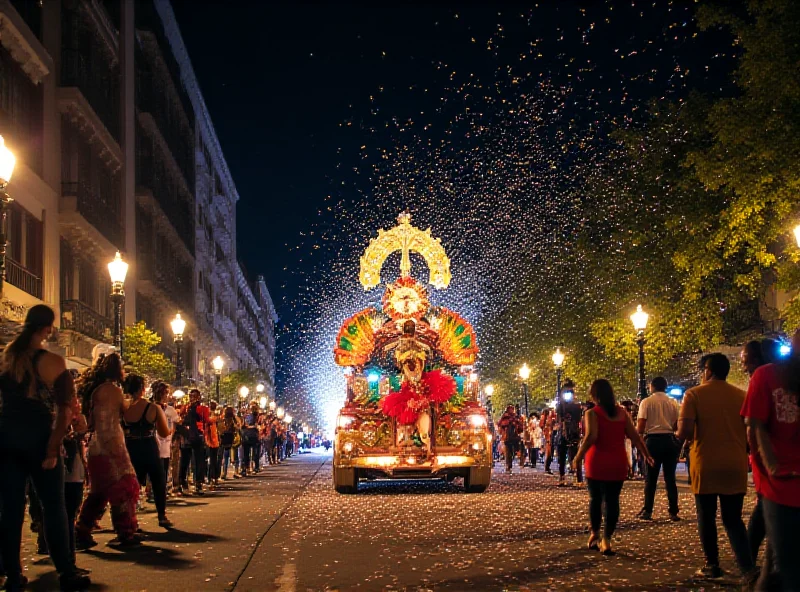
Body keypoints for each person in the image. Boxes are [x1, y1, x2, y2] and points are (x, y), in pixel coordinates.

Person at [0, 305, 91, 591]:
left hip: (7, 438)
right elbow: (65, 411)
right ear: (48, 329)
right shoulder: (52, 362)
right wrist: (52, 449)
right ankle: (66, 570)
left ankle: (12, 575)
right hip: (39, 438)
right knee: (54, 507)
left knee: (10, 510)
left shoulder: (6, 359)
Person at [678, 353, 755, 583]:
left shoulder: (694, 395)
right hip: (735, 462)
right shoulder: (741, 396)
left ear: (708, 371)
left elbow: (684, 432)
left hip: (706, 463)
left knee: (707, 516)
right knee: (733, 519)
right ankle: (747, 567)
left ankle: (712, 564)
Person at [741, 331, 800, 590]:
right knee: (787, 565)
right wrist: (770, 466)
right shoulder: (767, 376)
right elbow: (755, 426)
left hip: (779, 481)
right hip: (781, 484)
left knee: (779, 562)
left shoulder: (765, 376)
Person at [573, 379, 652, 555]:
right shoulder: (622, 413)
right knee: (612, 500)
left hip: (597, 461)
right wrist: (646, 455)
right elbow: (635, 437)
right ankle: (607, 539)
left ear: (594, 395)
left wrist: (578, 457)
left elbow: (591, 437)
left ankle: (594, 534)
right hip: (617, 462)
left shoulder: (592, 413)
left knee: (595, 499)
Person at [75, 352, 141, 548]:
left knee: (99, 492)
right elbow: (126, 413)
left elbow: (93, 422)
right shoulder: (114, 390)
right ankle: (125, 532)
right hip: (112, 444)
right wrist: (134, 400)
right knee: (125, 487)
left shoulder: (95, 391)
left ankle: (82, 530)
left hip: (98, 445)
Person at [122, 374, 172, 527]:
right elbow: (163, 432)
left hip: (130, 446)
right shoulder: (153, 408)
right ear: (143, 389)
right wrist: (171, 430)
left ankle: (130, 518)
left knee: (132, 483)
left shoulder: (123, 408)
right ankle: (161, 515)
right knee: (158, 480)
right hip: (149, 446)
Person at [637, 376, 681, 521]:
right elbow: (676, 426)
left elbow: (641, 426)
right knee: (670, 478)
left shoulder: (647, 402)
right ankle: (673, 510)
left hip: (653, 441)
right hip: (669, 440)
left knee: (651, 478)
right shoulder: (673, 402)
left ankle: (648, 510)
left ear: (652, 386)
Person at [179, 389, 210, 494]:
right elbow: (207, 421)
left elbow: (181, 418)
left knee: (187, 460)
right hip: (196, 435)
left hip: (190, 436)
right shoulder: (201, 408)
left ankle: (186, 482)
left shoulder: (189, 407)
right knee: (196, 460)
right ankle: (196, 483)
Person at [153, 382, 178, 495]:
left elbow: (176, 422)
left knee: (165, 466)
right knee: (154, 467)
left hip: (166, 442)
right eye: (166, 393)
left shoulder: (170, 409)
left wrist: (172, 435)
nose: (168, 396)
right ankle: (154, 490)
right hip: (153, 440)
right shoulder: (151, 407)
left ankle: (162, 489)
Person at [556, 381, 583, 486]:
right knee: (561, 455)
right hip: (563, 431)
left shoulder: (576, 407)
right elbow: (559, 419)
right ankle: (562, 476)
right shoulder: (560, 406)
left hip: (573, 431)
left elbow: (578, 419)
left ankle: (578, 477)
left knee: (575, 455)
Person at [497, 405, 524, 473]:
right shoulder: (505, 416)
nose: (512, 410)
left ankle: (511, 463)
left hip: (515, 437)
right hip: (507, 437)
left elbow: (520, 426)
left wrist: (517, 423)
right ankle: (508, 466)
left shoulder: (515, 417)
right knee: (508, 452)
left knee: (513, 452)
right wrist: (509, 422)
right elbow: (501, 424)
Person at [242, 401, 261, 476]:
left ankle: (248, 468)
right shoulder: (254, 415)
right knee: (253, 452)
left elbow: (244, 425)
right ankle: (251, 467)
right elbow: (257, 425)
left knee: (248, 453)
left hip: (249, 435)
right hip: (251, 435)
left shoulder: (249, 415)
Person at [206, 401, 221, 489]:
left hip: (211, 440)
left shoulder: (209, 417)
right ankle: (213, 478)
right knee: (214, 460)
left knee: (211, 460)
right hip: (213, 440)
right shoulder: (216, 417)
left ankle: (212, 478)